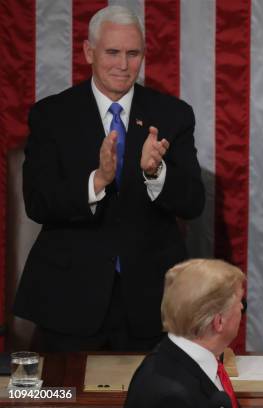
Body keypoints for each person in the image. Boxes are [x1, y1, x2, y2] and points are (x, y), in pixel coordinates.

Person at [14, 5, 205, 351]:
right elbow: (38, 201)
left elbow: (193, 201)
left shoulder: (172, 114)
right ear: (89, 52)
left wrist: (156, 173)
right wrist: (97, 181)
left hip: (152, 300)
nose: (123, 64)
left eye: (133, 54)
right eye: (112, 52)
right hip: (70, 299)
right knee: (64, 402)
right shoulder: (51, 115)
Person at [125, 259, 244, 408]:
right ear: (218, 322)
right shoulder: (170, 397)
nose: (241, 307)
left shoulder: (192, 361)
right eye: (240, 302)